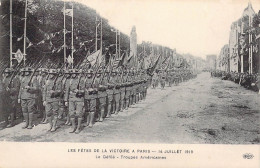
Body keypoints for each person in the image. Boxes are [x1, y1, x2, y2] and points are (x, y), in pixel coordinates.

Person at [65, 69, 85, 133]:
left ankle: (78, 128)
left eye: (75, 73)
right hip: (71, 99)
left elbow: (84, 91)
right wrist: (66, 100)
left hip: (79, 99)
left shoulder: (81, 80)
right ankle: (73, 127)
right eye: (72, 73)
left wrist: (78, 91)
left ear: (77, 74)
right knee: (71, 113)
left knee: (79, 113)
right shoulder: (69, 81)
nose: (73, 74)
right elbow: (67, 91)